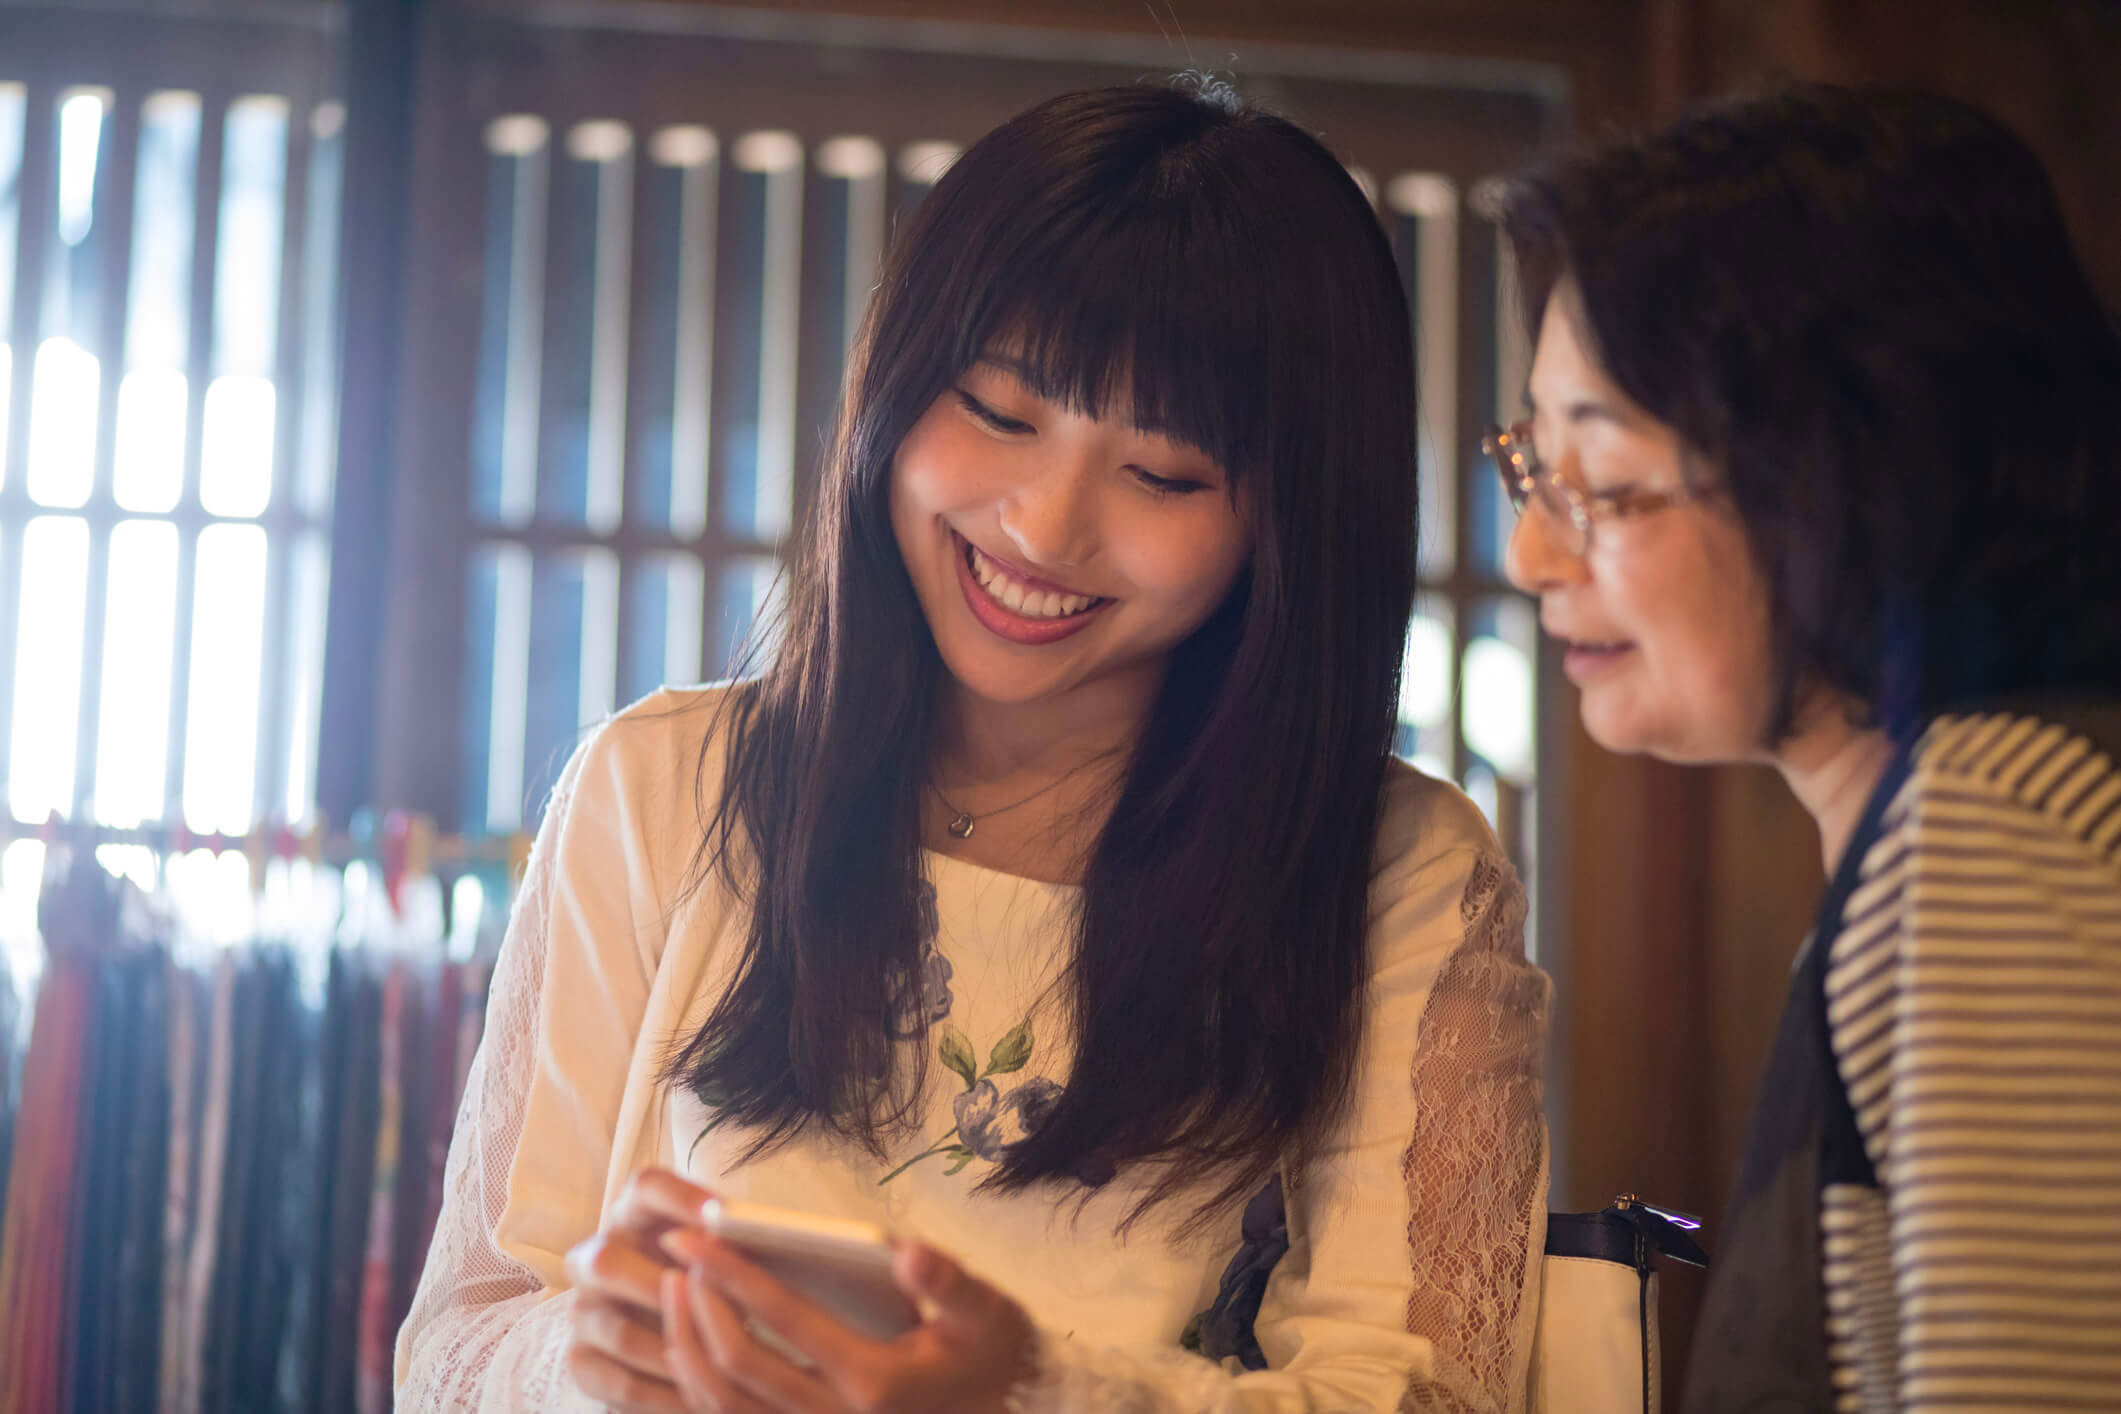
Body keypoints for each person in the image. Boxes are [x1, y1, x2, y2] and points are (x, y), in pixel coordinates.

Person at [396, 82, 1551, 1413]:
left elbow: (1420, 1398)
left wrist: (1010, 1393)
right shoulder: (661, 788)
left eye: (1164, 475)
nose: (1045, 529)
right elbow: (454, 1346)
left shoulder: (1392, 872)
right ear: (891, 390)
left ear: (1288, 524)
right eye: (1000, 413)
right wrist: (585, 1358)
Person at [1489, 83, 2121, 1412]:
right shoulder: (1935, 828)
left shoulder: (1994, 824)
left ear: (1850, 465)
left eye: (1600, 486)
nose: (1529, 553)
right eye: (1530, 468)